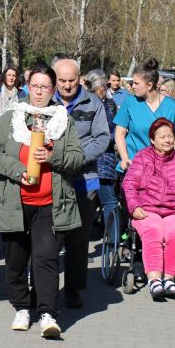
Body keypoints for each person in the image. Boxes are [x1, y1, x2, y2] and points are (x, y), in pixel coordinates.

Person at [0, 64, 84, 338]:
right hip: (14, 202)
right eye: (35, 86)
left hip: (50, 203)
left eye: (45, 87)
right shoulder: (11, 117)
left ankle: (47, 313)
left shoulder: (63, 119)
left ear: (53, 90)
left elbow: (76, 157)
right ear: (28, 87)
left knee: (46, 258)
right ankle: (22, 307)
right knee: (16, 259)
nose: (39, 92)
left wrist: (53, 158)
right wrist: (18, 170)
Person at [52, 57, 110, 308]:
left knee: (78, 240)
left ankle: (73, 289)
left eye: (71, 80)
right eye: (62, 81)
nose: (67, 85)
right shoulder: (45, 102)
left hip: (83, 181)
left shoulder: (93, 102)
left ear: (80, 78)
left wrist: (77, 159)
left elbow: (102, 138)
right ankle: (45, 288)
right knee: (49, 240)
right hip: (51, 180)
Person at [121, 117, 175, 300]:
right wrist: (134, 206)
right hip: (147, 209)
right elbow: (130, 184)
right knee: (154, 229)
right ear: (152, 140)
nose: (167, 140)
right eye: (162, 137)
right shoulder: (143, 157)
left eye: (170, 136)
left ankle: (169, 278)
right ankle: (155, 279)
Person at [114, 59, 175, 172]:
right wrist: (125, 158)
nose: (133, 86)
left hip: (162, 169)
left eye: (137, 83)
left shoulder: (172, 106)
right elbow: (119, 133)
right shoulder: (129, 103)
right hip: (134, 167)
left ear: (149, 85)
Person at [83, 69, 119, 226]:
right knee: (109, 203)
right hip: (102, 162)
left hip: (86, 160)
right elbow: (107, 134)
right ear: (101, 88)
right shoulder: (101, 107)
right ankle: (113, 242)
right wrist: (117, 137)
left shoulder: (81, 104)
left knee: (85, 202)